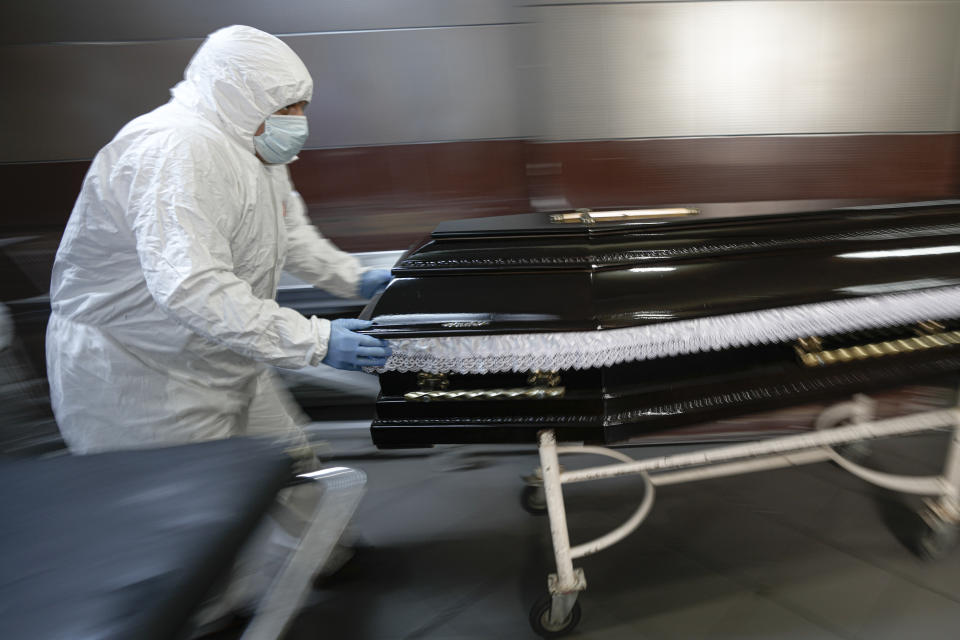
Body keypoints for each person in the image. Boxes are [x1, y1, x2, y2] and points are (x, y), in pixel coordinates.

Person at [45, 24, 391, 624]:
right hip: (140, 372)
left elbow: (289, 232)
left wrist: (351, 278)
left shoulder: (250, 143)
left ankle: (327, 554)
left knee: (291, 455)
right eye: (286, 107)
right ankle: (213, 619)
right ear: (238, 96)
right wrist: (314, 339)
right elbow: (190, 287)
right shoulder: (175, 150)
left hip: (220, 349)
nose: (297, 120)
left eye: (301, 105)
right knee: (194, 530)